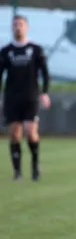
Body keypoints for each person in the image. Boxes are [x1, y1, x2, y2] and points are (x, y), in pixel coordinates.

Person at [1, 14, 50, 181]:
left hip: (31, 96)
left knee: (30, 131)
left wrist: (44, 93)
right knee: (14, 134)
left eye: (21, 24)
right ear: (12, 28)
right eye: (15, 24)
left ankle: (35, 167)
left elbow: (45, 72)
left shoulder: (36, 49)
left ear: (26, 27)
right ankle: (17, 172)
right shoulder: (6, 51)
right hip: (12, 97)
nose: (18, 27)